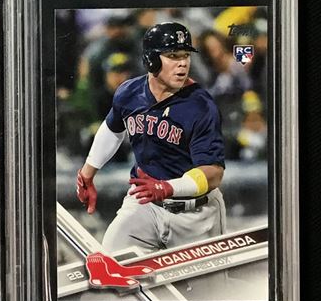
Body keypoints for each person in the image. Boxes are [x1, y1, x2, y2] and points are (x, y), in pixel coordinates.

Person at [76, 22, 226, 252]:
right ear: (151, 60)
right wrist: (88, 173)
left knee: (203, 278)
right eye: (173, 56)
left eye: (186, 55)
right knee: (111, 262)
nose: (183, 63)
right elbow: (113, 128)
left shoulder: (201, 106)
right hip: (145, 202)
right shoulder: (129, 92)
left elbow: (214, 173)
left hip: (195, 214)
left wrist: (168, 187)